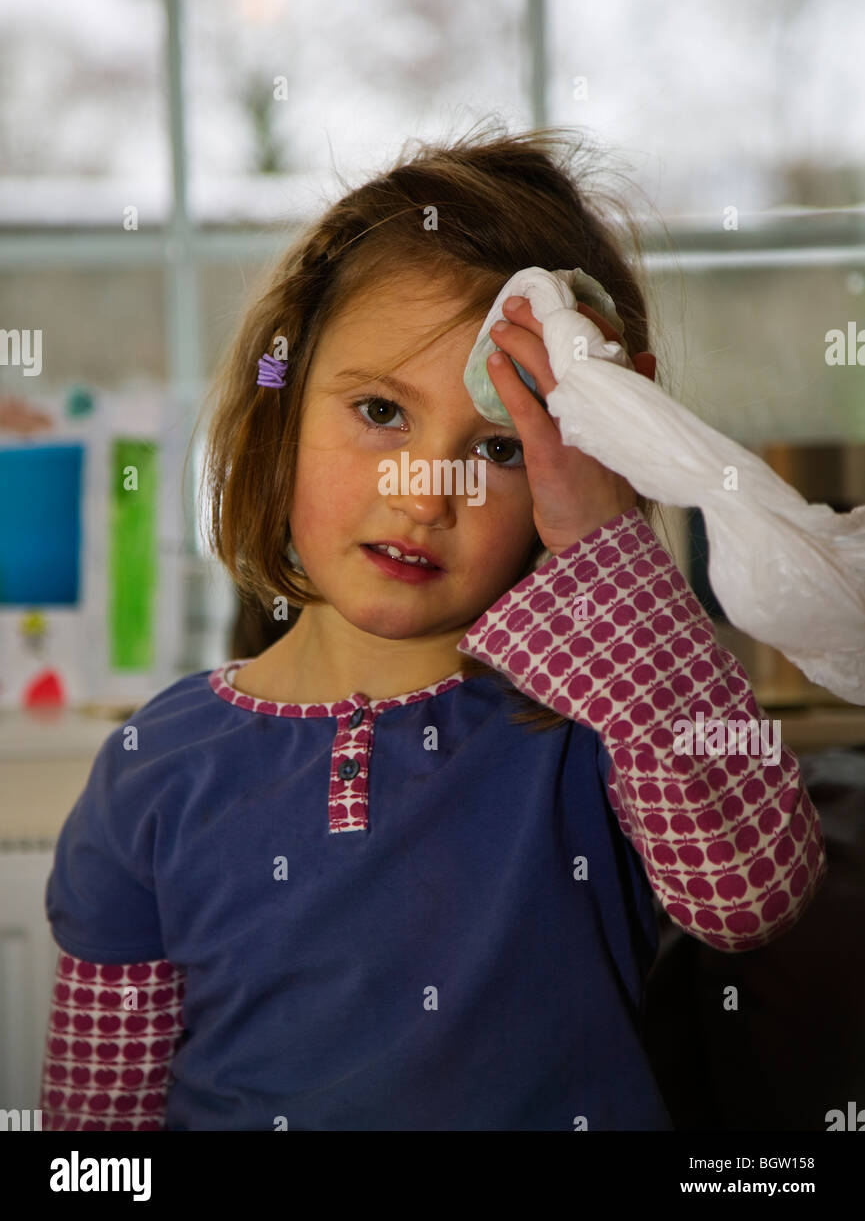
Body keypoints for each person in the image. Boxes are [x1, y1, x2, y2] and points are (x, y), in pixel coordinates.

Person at [39, 123, 826, 1131]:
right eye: (379, 411)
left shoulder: (599, 733)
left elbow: (754, 890)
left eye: (498, 449)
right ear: (280, 415)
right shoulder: (154, 766)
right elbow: (95, 1133)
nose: (423, 494)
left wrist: (604, 535)